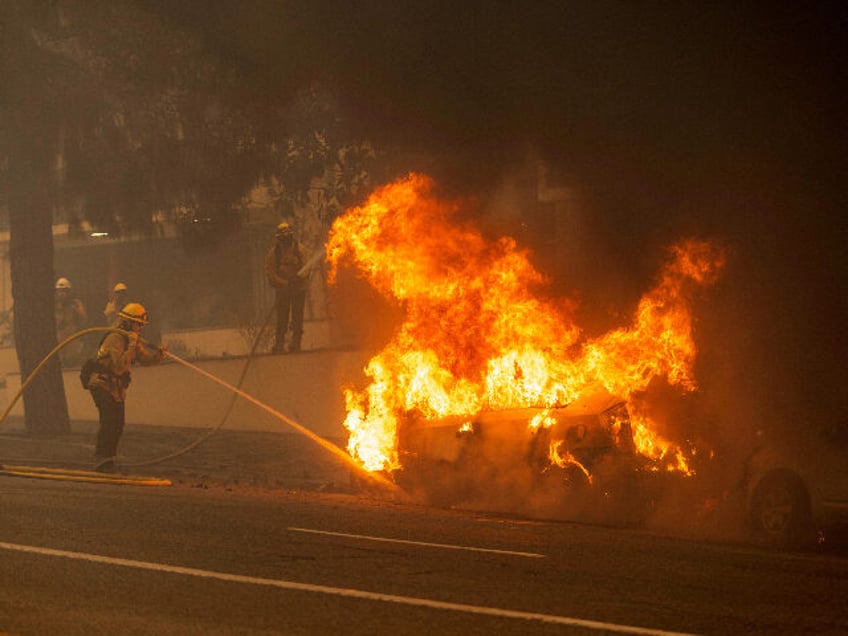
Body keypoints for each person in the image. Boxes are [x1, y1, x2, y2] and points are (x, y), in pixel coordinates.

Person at [84, 303, 166, 471]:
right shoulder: (115, 338)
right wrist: (131, 346)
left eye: (142, 325)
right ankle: (102, 458)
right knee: (109, 421)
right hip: (101, 384)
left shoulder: (130, 338)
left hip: (115, 388)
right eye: (138, 324)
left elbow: (144, 360)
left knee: (118, 423)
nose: (140, 327)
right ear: (127, 322)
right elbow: (120, 366)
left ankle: (108, 459)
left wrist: (158, 356)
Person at [264, 222, 309, 353]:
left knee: (297, 317)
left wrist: (299, 278)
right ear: (279, 239)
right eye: (283, 239)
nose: (286, 242)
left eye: (287, 238)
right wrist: (284, 283)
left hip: (298, 289)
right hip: (282, 290)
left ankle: (295, 344)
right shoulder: (274, 253)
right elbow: (270, 272)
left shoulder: (300, 250)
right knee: (282, 318)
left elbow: (307, 267)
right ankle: (279, 344)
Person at [54, 277, 87, 365]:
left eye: (64, 291)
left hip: (71, 339)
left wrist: (76, 310)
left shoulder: (76, 304)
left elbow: (83, 320)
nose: (62, 294)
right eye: (59, 291)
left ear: (69, 292)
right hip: (57, 339)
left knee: (72, 361)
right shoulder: (53, 306)